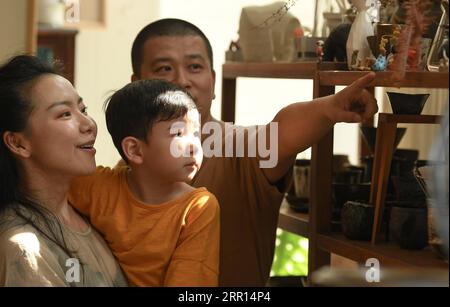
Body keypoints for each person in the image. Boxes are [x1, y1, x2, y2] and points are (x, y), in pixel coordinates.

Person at [127, 18, 378, 286]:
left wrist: (330, 108)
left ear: (212, 81)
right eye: (164, 68)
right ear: (136, 84)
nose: (182, 81)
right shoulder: (125, 168)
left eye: (195, 67)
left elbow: (282, 132)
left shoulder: (238, 148)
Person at [68, 79, 220, 286]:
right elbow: (46, 181)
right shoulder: (99, 187)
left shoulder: (198, 207)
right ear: (134, 150)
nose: (194, 146)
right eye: (178, 133)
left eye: (195, 133)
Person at [0, 55, 127, 287]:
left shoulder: (93, 213)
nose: (89, 124)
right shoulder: (23, 247)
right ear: (18, 143)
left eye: (82, 109)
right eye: (65, 114)